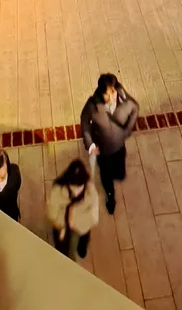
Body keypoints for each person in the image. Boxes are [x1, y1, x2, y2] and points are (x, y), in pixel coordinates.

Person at [80, 73, 138, 215]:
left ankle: (118, 175)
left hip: (119, 146)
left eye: (113, 92)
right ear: (101, 93)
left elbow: (135, 108)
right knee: (106, 174)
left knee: (119, 170)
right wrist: (90, 145)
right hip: (103, 149)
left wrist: (127, 130)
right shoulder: (92, 106)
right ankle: (110, 195)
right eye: (107, 94)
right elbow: (84, 121)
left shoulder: (124, 100)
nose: (112, 97)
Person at [47, 157, 99, 262]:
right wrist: (64, 223)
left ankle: (81, 249)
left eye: (79, 187)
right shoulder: (58, 190)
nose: (76, 192)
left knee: (82, 242)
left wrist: (74, 221)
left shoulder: (90, 192)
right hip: (62, 228)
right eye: (73, 186)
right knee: (63, 249)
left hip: (82, 228)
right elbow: (52, 214)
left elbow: (94, 218)